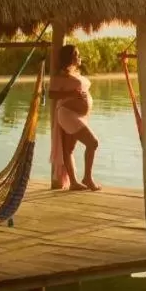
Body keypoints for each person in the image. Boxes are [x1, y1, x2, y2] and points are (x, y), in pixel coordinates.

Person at [48, 44, 101, 191]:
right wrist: (72, 95)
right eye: (76, 54)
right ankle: (87, 178)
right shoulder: (61, 75)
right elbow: (52, 94)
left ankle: (74, 183)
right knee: (93, 143)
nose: (79, 57)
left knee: (69, 149)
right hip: (67, 114)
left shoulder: (75, 73)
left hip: (78, 115)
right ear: (69, 57)